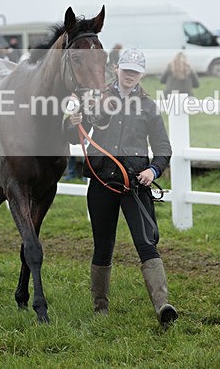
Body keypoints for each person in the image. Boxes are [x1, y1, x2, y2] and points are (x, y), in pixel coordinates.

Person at [66, 48, 177, 325]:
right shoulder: (98, 100)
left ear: (142, 74)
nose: (130, 75)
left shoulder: (149, 107)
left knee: (146, 243)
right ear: (117, 69)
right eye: (126, 69)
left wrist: (153, 170)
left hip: (135, 184)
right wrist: (74, 122)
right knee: (103, 246)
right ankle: (99, 306)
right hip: (102, 181)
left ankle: (163, 306)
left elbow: (163, 148)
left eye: (135, 72)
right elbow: (72, 136)